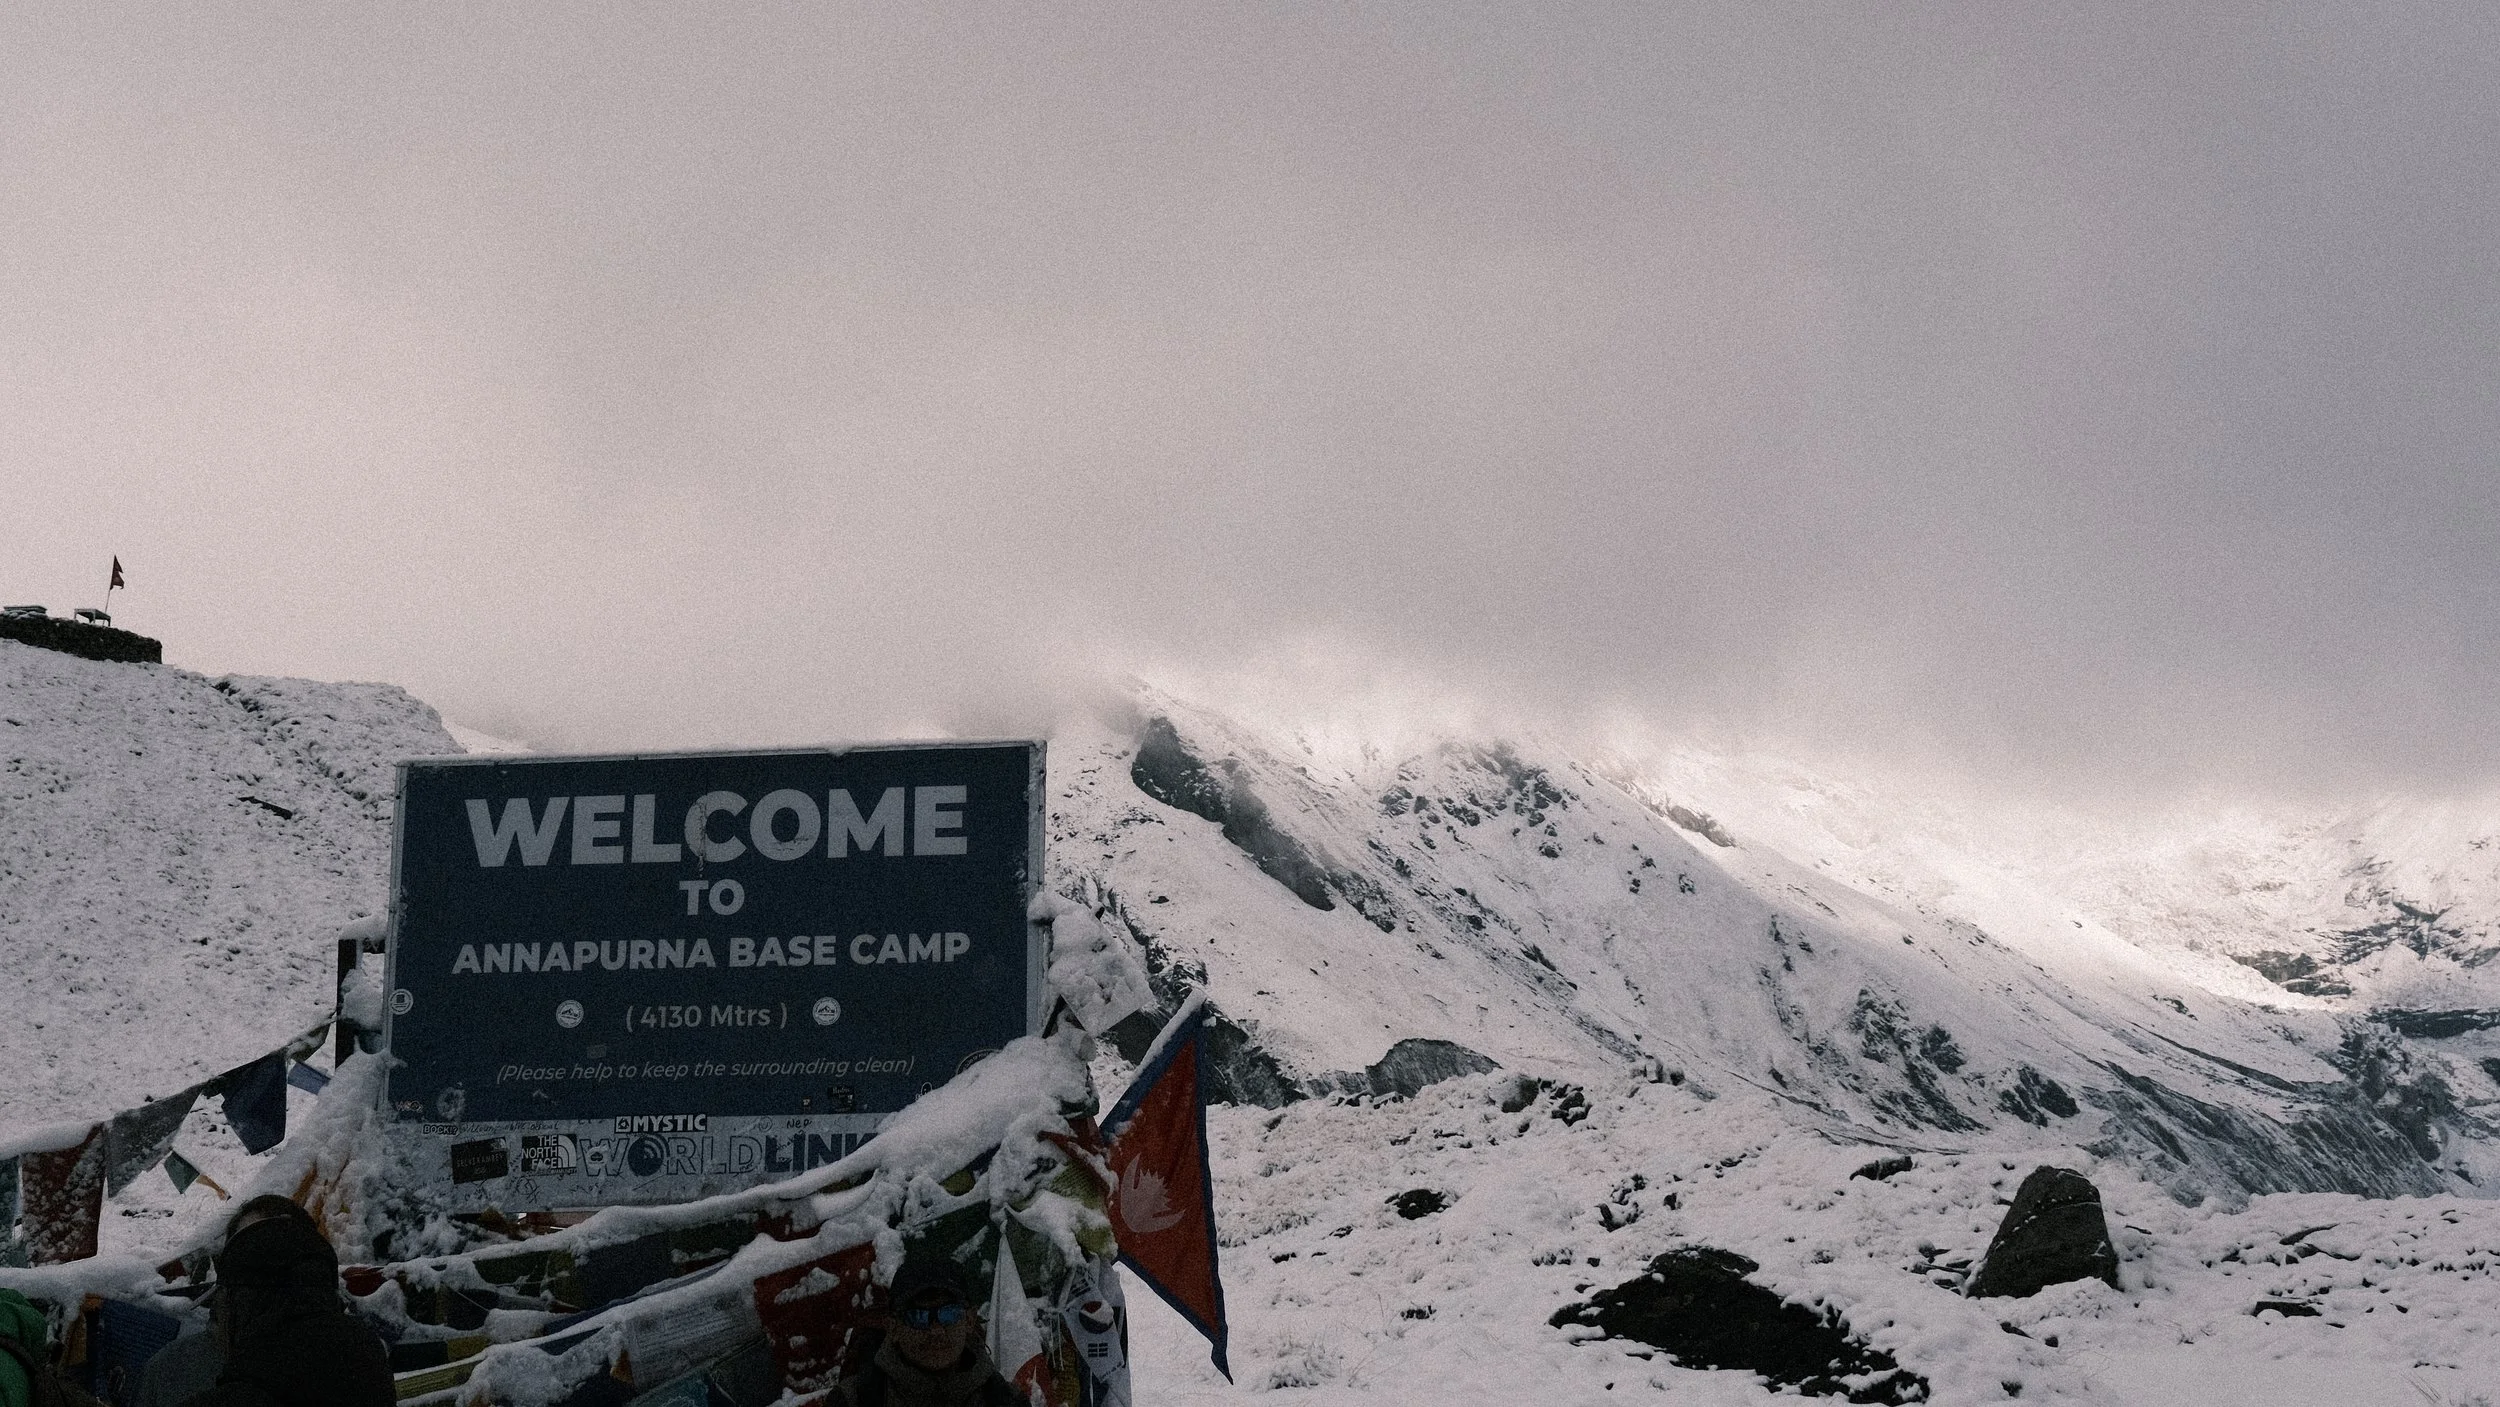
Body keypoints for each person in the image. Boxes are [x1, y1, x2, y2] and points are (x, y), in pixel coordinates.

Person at [173, 1196, 391, 1407]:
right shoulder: (176, 1367)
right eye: (251, 1250)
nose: (269, 1261)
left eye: (276, 1243)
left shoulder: (354, 1366)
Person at [831, 1252, 1017, 1407]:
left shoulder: (1006, 1400)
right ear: (894, 1328)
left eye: (949, 1314)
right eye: (919, 1316)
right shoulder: (852, 1401)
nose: (936, 1331)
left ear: (969, 1320)